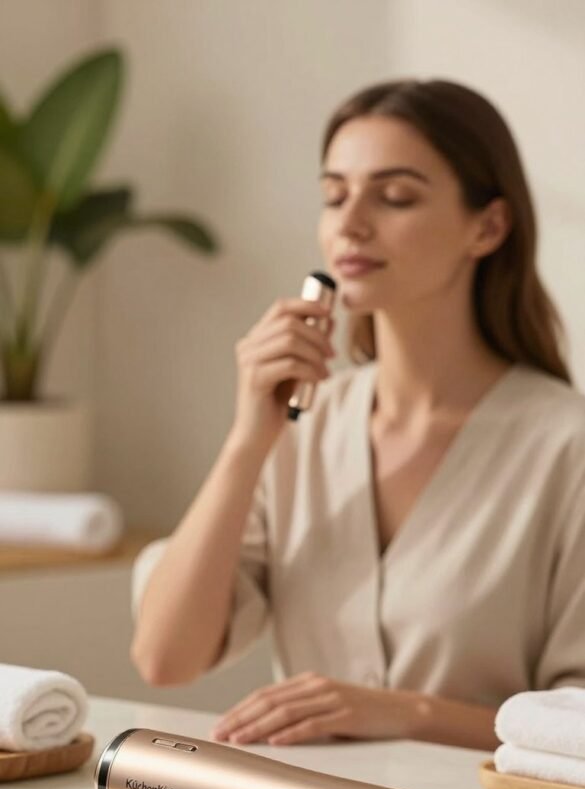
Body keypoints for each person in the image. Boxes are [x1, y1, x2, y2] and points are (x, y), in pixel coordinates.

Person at [130, 78, 585, 753]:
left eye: (394, 196)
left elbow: (576, 725)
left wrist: (407, 713)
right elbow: (167, 658)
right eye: (333, 195)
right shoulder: (300, 429)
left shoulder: (564, 448)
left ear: (486, 226)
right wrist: (246, 441)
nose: (350, 222)